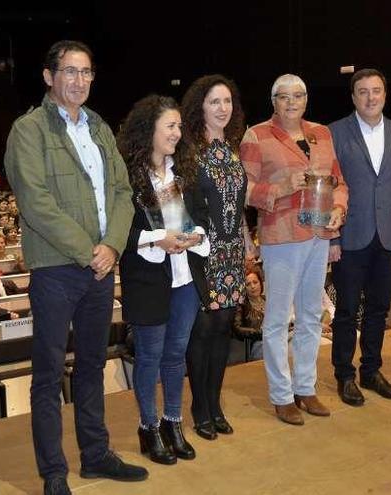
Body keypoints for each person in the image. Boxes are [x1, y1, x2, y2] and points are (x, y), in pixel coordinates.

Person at [3, 39, 145, 494]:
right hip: (57, 270)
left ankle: (95, 455)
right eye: (70, 71)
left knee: (92, 365)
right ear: (49, 77)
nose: (79, 80)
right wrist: (91, 250)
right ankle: (54, 472)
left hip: (101, 267)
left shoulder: (100, 128)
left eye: (86, 72)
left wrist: (112, 247)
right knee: (47, 375)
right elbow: (36, 203)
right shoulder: (28, 130)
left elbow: (122, 193)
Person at [239, 74, 347, 425]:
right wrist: (282, 186)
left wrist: (339, 210)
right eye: (283, 96)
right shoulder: (256, 135)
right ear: (273, 100)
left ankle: (305, 387)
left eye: (298, 95)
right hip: (282, 237)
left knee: (311, 316)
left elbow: (339, 182)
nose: (291, 102)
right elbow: (245, 190)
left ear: (306, 99)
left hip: (319, 235)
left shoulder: (322, 133)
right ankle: (281, 395)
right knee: (277, 319)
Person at [117, 95, 210, 464]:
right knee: (150, 357)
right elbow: (117, 230)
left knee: (175, 355)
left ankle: (173, 422)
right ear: (149, 130)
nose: (177, 132)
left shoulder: (183, 170)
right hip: (147, 277)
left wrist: (195, 234)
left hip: (185, 275)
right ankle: (148, 427)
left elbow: (200, 214)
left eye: (179, 126)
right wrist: (157, 239)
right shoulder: (126, 176)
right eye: (170, 126)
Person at [328, 68, 391, 407]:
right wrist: (332, 239)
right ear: (353, 97)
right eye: (362, 92)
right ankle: (345, 375)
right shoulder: (334, 133)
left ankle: (371, 370)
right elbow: (329, 189)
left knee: (379, 309)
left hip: (389, 237)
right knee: (347, 311)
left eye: (376, 91)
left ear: (385, 94)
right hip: (349, 236)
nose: (370, 97)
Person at [179, 74, 249, 440]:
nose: (223, 109)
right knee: (202, 330)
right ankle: (199, 406)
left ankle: (216, 404)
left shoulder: (235, 147)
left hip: (233, 251)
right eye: (214, 102)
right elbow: (183, 205)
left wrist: (246, 239)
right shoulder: (188, 150)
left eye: (227, 102)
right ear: (199, 108)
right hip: (204, 251)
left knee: (224, 329)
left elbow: (237, 205)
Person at [233, 268, 265, 361]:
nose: (253, 286)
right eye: (248, 284)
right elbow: (237, 329)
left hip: (279, 338)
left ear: (261, 283)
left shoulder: (269, 300)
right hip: (259, 343)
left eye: (255, 282)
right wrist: (260, 332)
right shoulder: (241, 306)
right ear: (243, 288)